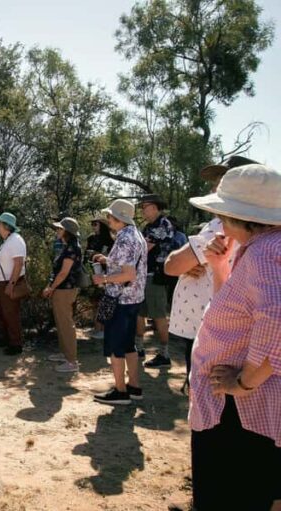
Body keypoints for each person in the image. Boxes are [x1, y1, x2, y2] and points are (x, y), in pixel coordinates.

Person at [186, 163, 281, 511]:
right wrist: (220, 267)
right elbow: (241, 309)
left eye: (225, 214)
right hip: (238, 406)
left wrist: (245, 382)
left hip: (238, 411)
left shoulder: (263, 252)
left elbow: (277, 321)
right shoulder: (259, 247)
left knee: (229, 495)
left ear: (247, 218)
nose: (221, 223)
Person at [164, 156, 256, 394]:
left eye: (222, 180)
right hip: (212, 323)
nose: (214, 187)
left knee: (208, 394)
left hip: (212, 328)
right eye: (216, 181)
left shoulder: (223, 224)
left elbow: (172, 265)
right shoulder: (244, 224)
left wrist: (182, 263)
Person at [91, 199, 147, 405]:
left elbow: (128, 274)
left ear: (119, 219)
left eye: (110, 216)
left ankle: (120, 391)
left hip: (120, 299)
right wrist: (107, 260)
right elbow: (130, 265)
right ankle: (134, 386)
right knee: (129, 345)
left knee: (116, 347)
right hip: (134, 298)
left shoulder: (124, 239)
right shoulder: (136, 235)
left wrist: (103, 279)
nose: (108, 219)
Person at [136, 193, 177, 367]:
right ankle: (138, 347)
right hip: (144, 275)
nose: (143, 210)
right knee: (140, 312)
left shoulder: (163, 224)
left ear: (154, 207)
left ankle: (164, 353)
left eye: (145, 207)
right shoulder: (148, 227)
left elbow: (144, 248)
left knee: (159, 314)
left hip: (156, 276)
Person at [42, 217, 82, 373]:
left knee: (66, 324)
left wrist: (51, 287)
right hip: (62, 289)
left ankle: (72, 361)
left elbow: (64, 272)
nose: (57, 231)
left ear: (67, 232)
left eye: (60, 229)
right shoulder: (68, 246)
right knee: (61, 322)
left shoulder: (72, 247)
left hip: (65, 289)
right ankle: (65, 354)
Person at [0, 212, 28, 356]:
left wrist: (11, 284)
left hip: (9, 282)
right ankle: (4, 338)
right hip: (3, 282)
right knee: (2, 312)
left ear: (6, 226)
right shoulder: (9, 240)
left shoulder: (15, 240)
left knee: (11, 313)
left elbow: (18, 263)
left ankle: (15, 344)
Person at [85, 217, 115, 340]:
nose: (93, 226)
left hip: (104, 274)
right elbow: (86, 253)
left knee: (103, 301)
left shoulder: (111, 240)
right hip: (92, 271)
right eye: (92, 224)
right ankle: (96, 327)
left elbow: (112, 258)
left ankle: (102, 329)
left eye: (95, 224)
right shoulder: (91, 238)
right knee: (94, 301)